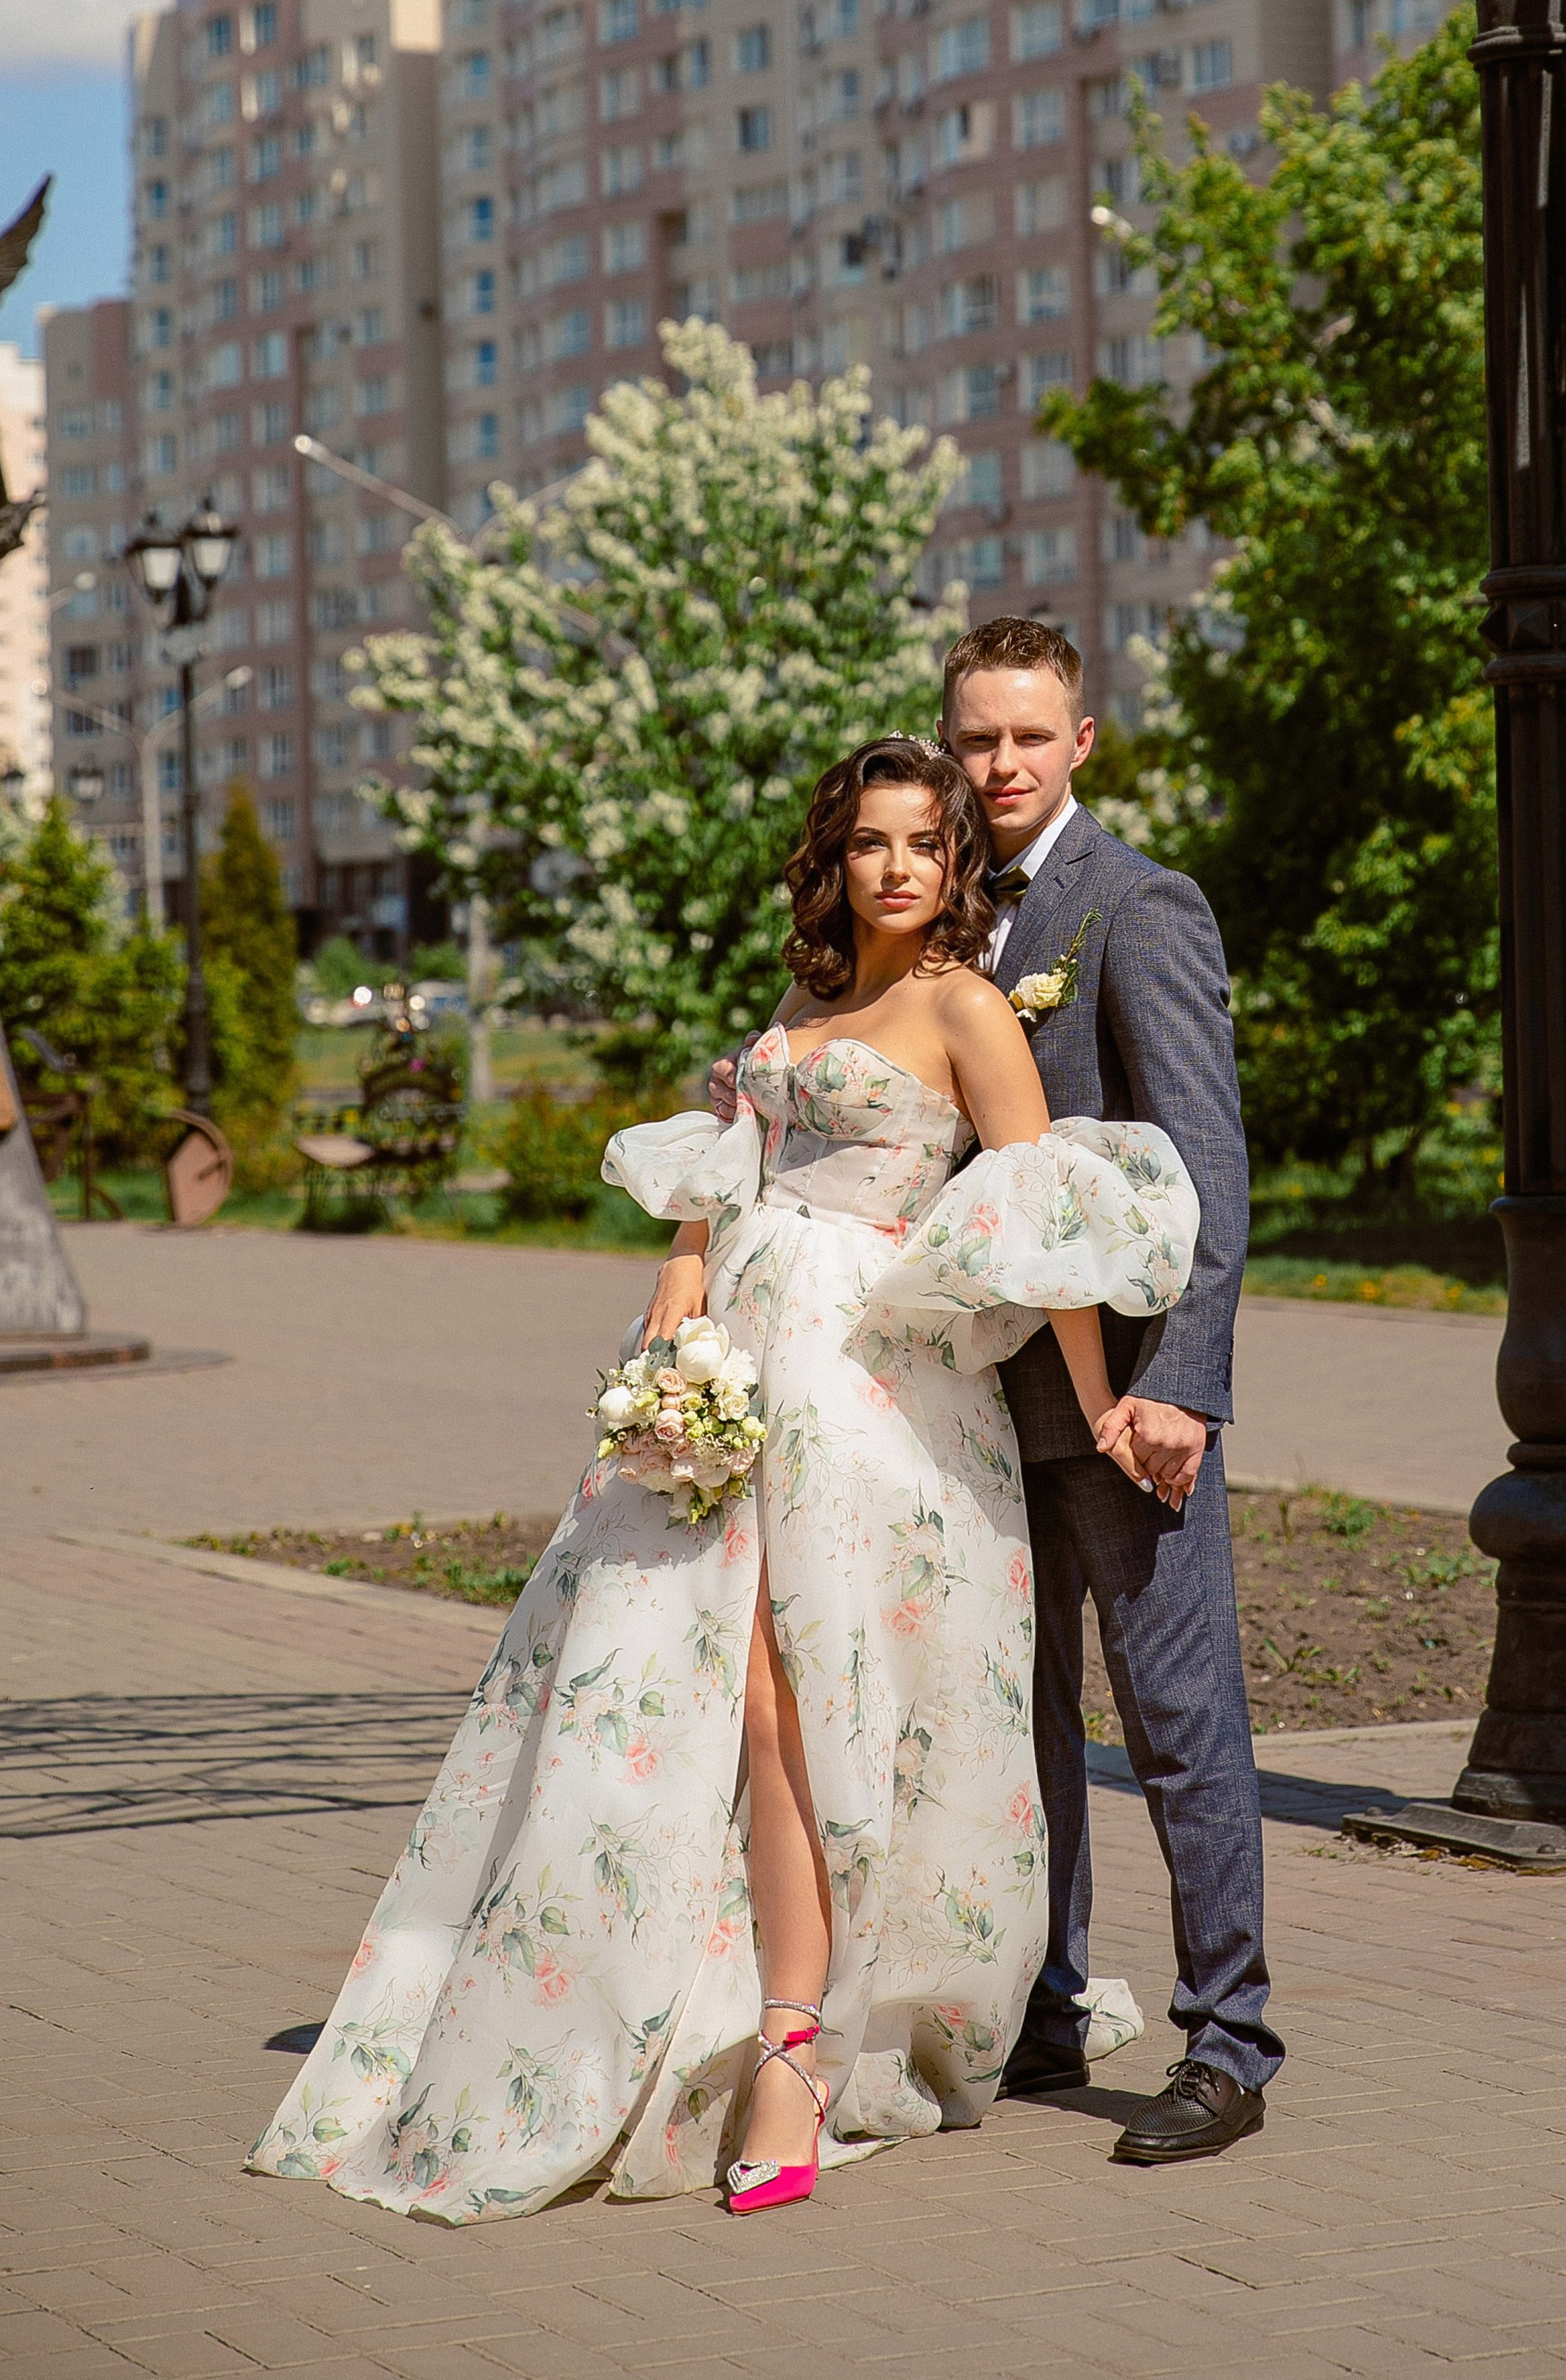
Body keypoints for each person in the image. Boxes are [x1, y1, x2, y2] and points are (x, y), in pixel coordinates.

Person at [247, 735, 1195, 2223]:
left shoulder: (963, 1008)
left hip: (874, 1393)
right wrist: (678, 1285)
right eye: (873, 842)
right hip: (738, 1374)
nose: (898, 868)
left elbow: (1038, 1227)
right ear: (838, 856)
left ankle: (796, 2048)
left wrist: (1105, 1403)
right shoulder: (809, 997)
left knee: (804, 1698)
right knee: (690, 1686)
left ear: (955, 866)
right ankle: (660, 1996)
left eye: (925, 846)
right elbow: (731, 1168)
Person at [943, 614, 1281, 2167]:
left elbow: (1207, 1168)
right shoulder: (943, 925)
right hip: (973, 1409)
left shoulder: (1137, 907)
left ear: (1082, 743)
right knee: (1020, 1726)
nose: (999, 764)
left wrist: (1188, 1388)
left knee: (1179, 1719)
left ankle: (1230, 2042)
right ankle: (1051, 2001)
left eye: (1026, 736)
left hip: (1121, 1400)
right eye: (974, 740)